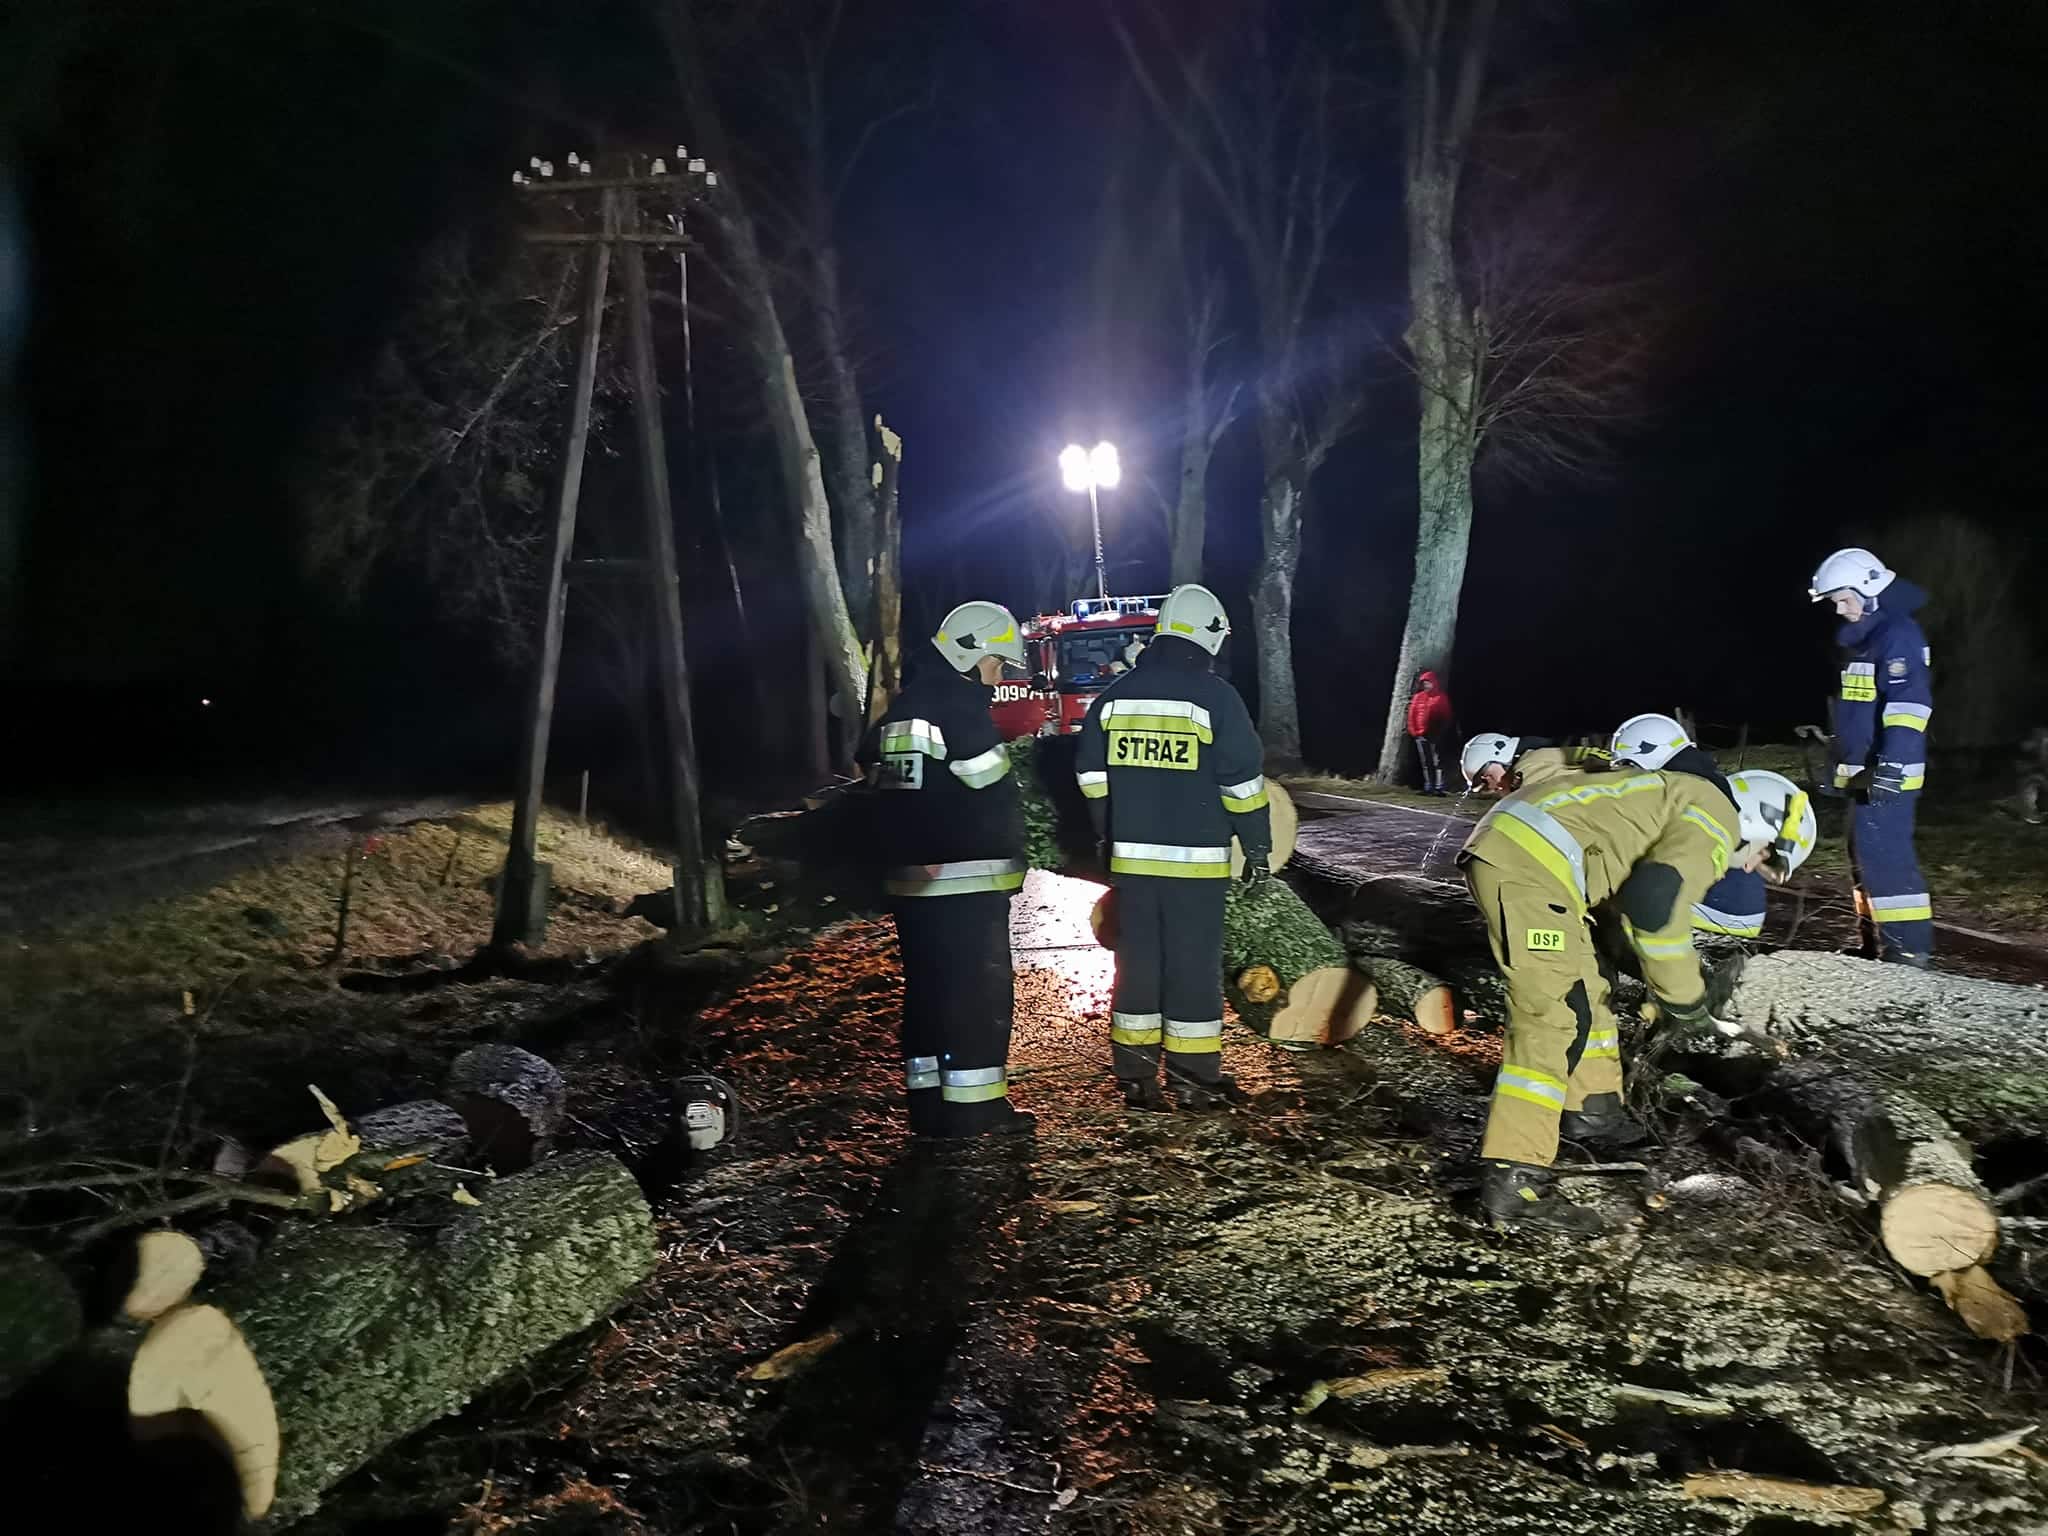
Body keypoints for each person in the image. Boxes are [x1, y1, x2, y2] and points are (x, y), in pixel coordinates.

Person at [1460, 762, 1812, 1234]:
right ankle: (1514, 1181)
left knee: (1587, 985)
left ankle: (1595, 1111)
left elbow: (1628, 904)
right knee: (1551, 1015)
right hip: (1529, 867)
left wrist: (1651, 977)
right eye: (1763, 853)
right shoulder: (1714, 815)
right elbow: (1653, 909)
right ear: (1760, 819)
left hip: (1532, 859)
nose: (1750, 865)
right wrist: (1685, 1001)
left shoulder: (1678, 798)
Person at [1075, 584, 1272, 1111]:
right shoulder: (1215, 698)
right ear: (1209, 636)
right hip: (1196, 865)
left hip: (1132, 864)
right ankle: (1193, 1077)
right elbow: (1243, 784)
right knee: (1191, 967)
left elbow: (1091, 777)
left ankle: (1136, 1079)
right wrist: (1257, 847)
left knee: (1136, 965)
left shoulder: (1114, 698)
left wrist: (1107, 833)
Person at [860, 600, 1035, 1138]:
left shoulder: (903, 711)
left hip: (911, 883)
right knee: (974, 997)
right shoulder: (958, 710)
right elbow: (994, 790)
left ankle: (929, 1104)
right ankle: (975, 1110)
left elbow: (868, 758)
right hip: (964, 882)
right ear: (972, 653)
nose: (999, 677)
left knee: (928, 992)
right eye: (998, 665)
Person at [1810, 547, 1935, 966]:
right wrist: (1836, 767)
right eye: (1834, 603)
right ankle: (1875, 947)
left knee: (1888, 863)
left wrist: (1892, 766)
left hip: (1888, 775)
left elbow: (1909, 707)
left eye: (1845, 599)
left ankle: (1909, 954)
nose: (1840, 609)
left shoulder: (1898, 635)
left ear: (1871, 589)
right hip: (1866, 774)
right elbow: (1855, 714)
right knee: (1864, 859)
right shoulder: (1863, 640)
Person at [1607, 713, 1762, 942]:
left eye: (1629, 764)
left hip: (1710, 909)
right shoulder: (1710, 781)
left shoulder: (1664, 791)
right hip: (1746, 908)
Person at [1406, 670, 1456, 794]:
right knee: (1426, 762)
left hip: (1435, 734)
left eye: (1429, 683)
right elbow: (1412, 714)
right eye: (1424, 684)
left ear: (1434, 683)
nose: (1427, 686)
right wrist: (1414, 731)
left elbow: (1446, 715)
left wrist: (1441, 731)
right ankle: (1429, 786)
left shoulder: (1440, 697)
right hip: (1420, 735)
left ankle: (1439, 787)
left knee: (1437, 761)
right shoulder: (1418, 697)